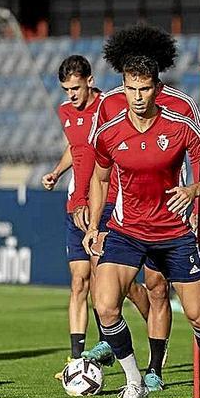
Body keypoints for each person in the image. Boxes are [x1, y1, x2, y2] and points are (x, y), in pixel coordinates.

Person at [84, 55, 200, 398]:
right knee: (105, 305)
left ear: (156, 88)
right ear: (123, 88)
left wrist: (194, 190)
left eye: (144, 89)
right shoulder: (109, 133)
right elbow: (100, 178)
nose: (137, 96)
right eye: (130, 89)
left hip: (172, 232)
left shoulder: (181, 126)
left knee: (199, 314)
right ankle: (133, 382)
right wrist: (95, 225)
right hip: (126, 231)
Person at [82, 24, 200, 391]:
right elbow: (99, 160)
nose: (134, 90)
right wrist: (91, 212)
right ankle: (113, 340)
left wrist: (194, 199)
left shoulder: (182, 105)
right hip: (122, 211)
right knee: (106, 285)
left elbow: (198, 160)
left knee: (156, 287)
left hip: (167, 210)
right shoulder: (109, 104)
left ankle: (155, 367)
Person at [41, 55, 150, 378]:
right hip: (75, 206)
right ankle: (79, 359)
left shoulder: (111, 106)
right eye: (65, 90)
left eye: (75, 88)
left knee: (119, 285)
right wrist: (58, 173)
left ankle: (156, 331)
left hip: (105, 203)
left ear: (89, 80)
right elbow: (76, 149)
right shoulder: (65, 112)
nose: (71, 95)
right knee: (79, 281)